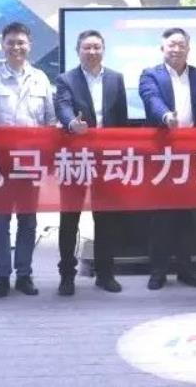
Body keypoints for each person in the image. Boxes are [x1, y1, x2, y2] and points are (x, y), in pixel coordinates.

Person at [0, 22, 57, 298]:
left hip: (30, 162)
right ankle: (2, 277)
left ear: (29, 45)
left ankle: (24, 275)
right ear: (2, 46)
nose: (16, 47)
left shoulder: (41, 78)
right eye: (10, 42)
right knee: (0, 222)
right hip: (1, 163)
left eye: (21, 42)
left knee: (28, 221)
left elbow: (50, 118)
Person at [138, 27, 196, 291]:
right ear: (163, 48)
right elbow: (151, 100)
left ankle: (186, 269)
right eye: (171, 44)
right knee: (162, 216)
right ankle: (158, 271)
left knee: (187, 216)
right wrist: (165, 116)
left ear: (188, 49)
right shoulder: (150, 74)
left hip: (192, 157)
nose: (176, 49)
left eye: (181, 44)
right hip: (163, 155)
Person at [54, 30, 128, 295]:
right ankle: (67, 275)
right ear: (78, 51)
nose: (92, 52)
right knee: (69, 218)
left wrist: (122, 154)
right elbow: (62, 107)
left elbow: (121, 119)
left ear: (103, 50)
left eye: (97, 47)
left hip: (107, 159)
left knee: (106, 218)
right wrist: (72, 123)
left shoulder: (116, 78)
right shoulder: (66, 79)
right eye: (87, 47)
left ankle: (105, 274)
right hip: (76, 157)